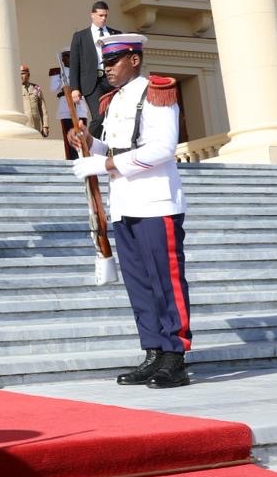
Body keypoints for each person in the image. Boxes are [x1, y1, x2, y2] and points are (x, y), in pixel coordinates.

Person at [69, 34, 191, 389]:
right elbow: (119, 146)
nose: (106, 69)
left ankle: (175, 355)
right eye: (105, 63)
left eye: (114, 61)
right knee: (139, 284)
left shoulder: (157, 92)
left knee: (165, 282)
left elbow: (162, 148)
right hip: (124, 203)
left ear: (134, 60)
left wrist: (105, 165)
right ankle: (153, 350)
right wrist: (90, 144)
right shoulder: (112, 101)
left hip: (156, 201)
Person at [68, 0, 121, 139]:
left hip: (113, 80)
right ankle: (90, 146)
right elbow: (74, 63)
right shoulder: (80, 36)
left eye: (106, 16)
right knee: (99, 117)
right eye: (100, 15)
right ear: (92, 15)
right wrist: (74, 88)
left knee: (117, 116)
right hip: (93, 83)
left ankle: (111, 147)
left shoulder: (116, 34)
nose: (103, 18)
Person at [49, 50, 89, 161]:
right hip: (65, 105)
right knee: (68, 134)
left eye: (71, 56)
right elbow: (52, 88)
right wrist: (64, 82)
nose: (69, 59)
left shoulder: (82, 71)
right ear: (62, 59)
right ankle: (71, 158)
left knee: (82, 132)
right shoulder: (57, 72)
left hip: (79, 104)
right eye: (66, 56)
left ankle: (84, 156)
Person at [20, 64, 47, 137]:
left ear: (28, 75)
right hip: (24, 126)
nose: (20, 76)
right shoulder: (16, 90)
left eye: (23, 73)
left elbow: (43, 108)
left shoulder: (36, 88)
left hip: (36, 126)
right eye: (19, 74)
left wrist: (45, 126)